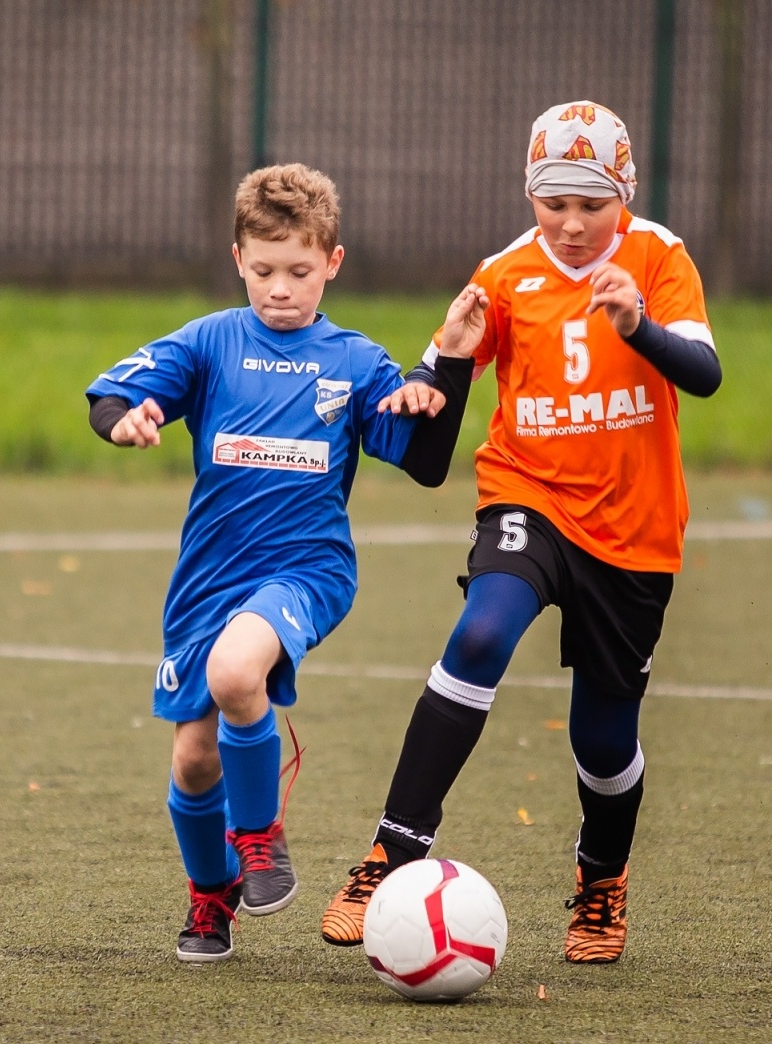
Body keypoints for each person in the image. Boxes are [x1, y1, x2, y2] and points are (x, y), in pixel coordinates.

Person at [320, 101, 722, 964]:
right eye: (553, 203)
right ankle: (392, 853)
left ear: (626, 193)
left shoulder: (659, 257)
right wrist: (444, 370)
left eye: (592, 204)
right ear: (529, 193)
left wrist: (637, 327)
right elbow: (434, 427)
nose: (572, 225)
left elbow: (706, 373)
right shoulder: (504, 273)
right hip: (527, 496)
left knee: (603, 742)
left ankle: (601, 876)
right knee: (483, 630)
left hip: (634, 531)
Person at [86, 163, 478, 962]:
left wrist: (442, 384)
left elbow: (430, 463)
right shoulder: (210, 340)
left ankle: (260, 837)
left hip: (306, 568)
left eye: (299, 271)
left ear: (332, 262)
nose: (279, 288)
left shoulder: (358, 362)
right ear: (238, 258)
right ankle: (211, 893)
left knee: (238, 675)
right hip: (208, 577)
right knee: (194, 759)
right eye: (263, 270)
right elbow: (110, 396)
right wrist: (129, 418)